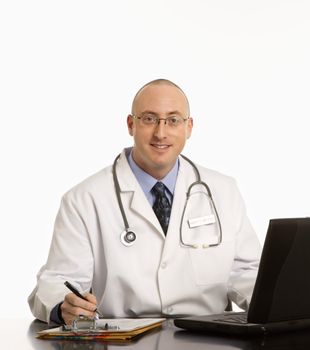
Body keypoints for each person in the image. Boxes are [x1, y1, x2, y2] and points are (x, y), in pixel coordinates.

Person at [28, 79, 261, 325]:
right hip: (122, 339)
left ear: (189, 127)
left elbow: (247, 273)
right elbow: (58, 280)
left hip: (208, 336)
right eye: (149, 119)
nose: (161, 132)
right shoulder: (84, 199)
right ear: (131, 124)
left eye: (173, 120)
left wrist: (283, 304)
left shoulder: (223, 191)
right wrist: (63, 307)